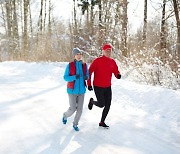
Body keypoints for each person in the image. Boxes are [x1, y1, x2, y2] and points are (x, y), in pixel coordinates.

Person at [87, 43, 121, 128]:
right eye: (107, 51)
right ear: (103, 51)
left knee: (108, 105)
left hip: (108, 86)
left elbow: (116, 71)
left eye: (110, 51)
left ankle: (102, 122)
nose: (109, 52)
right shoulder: (97, 61)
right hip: (98, 86)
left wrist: (118, 75)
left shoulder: (112, 61)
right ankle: (92, 101)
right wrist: (89, 84)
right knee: (102, 104)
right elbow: (89, 72)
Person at [62, 48, 89, 131]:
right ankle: (65, 115)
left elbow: (88, 75)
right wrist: (74, 77)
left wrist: (86, 77)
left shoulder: (84, 65)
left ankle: (75, 124)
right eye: (77, 54)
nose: (79, 55)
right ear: (74, 55)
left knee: (80, 110)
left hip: (81, 91)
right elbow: (65, 77)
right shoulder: (70, 65)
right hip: (72, 91)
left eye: (80, 54)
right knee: (73, 108)